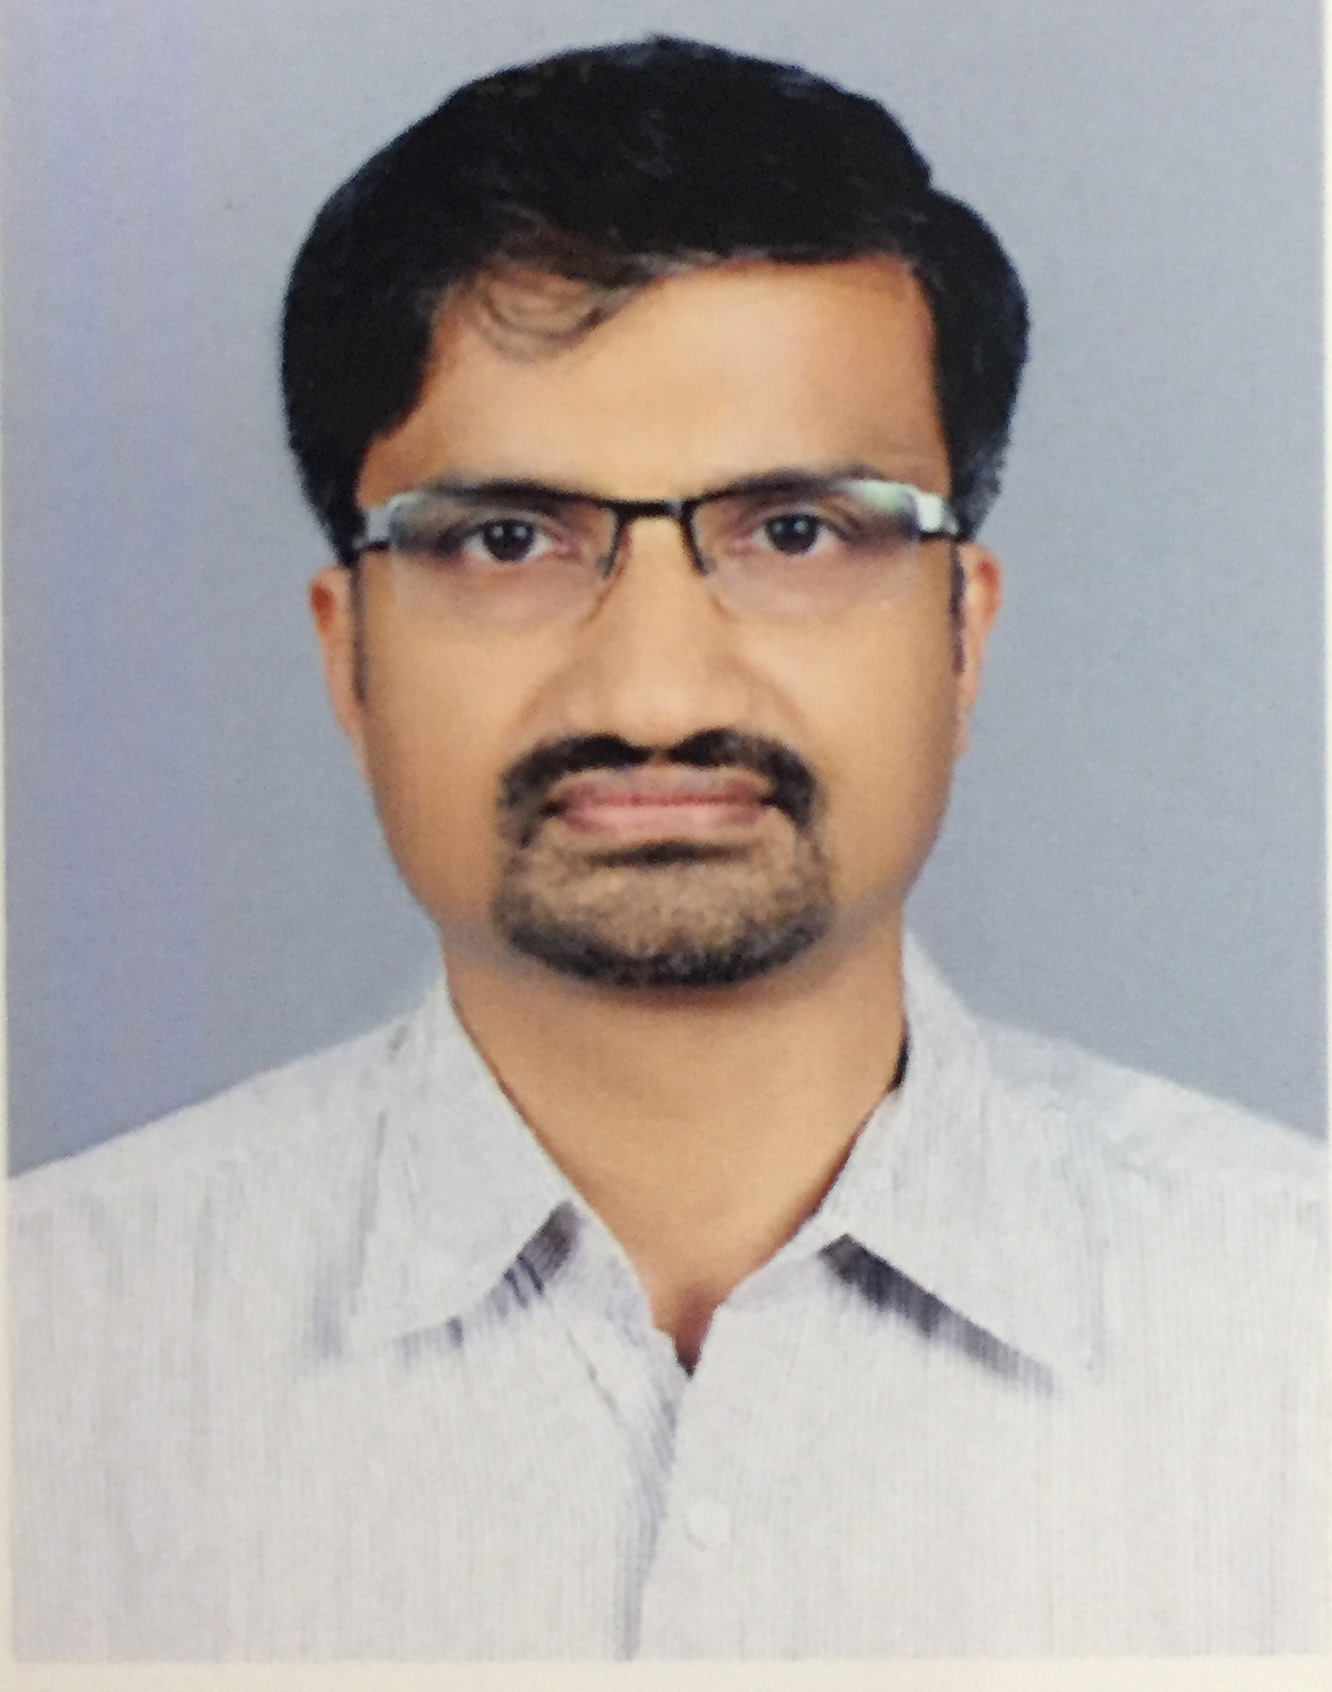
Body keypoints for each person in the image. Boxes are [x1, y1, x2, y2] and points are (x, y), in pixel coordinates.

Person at [10, 35, 1325, 1660]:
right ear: (347, 656)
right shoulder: (46, 1364)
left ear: (962, 637)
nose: (654, 695)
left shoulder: (1293, 1339)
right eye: (508, 539)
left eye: (796, 532)